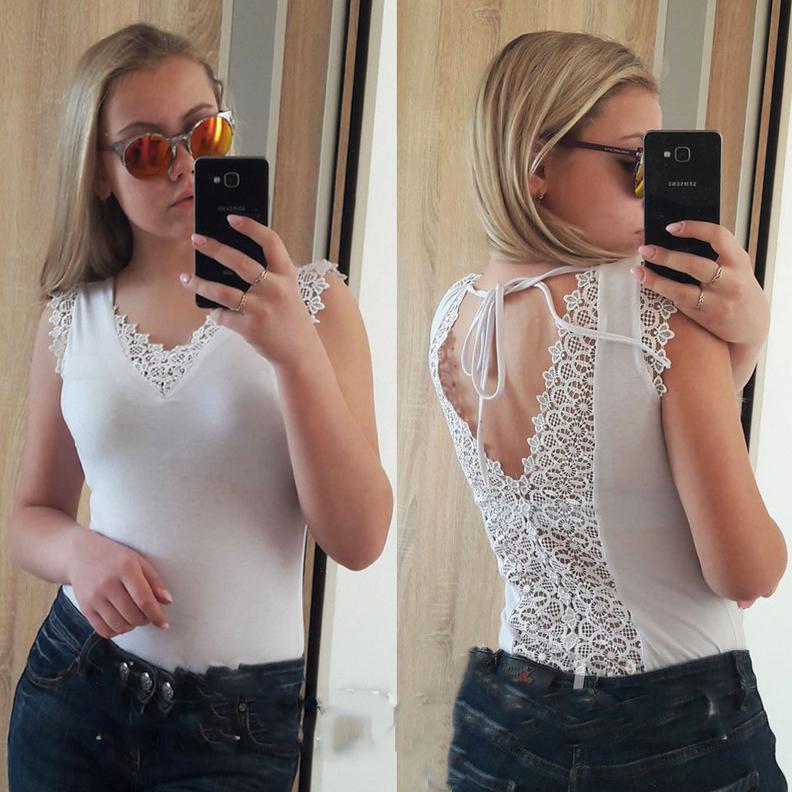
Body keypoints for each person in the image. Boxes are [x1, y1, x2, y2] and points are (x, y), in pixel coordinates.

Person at [7, 22, 392, 791]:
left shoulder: (316, 303)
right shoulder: (69, 318)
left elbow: (358, 541)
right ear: (99, 174)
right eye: (148, 150)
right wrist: (79, 554)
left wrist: (294, 352)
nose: (186, 164)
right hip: (75, 692)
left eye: (204, 133)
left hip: (237, 728)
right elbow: (29, 516)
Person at [427, 31, 787, 790]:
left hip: (508, 727)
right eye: (636, 163)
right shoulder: (657, 315)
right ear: (536, 167)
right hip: (677, 733)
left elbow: (616, 487)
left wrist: (739, 351)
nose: (656, 191)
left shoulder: (452, 320)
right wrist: (749, 335)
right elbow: (747, 570)